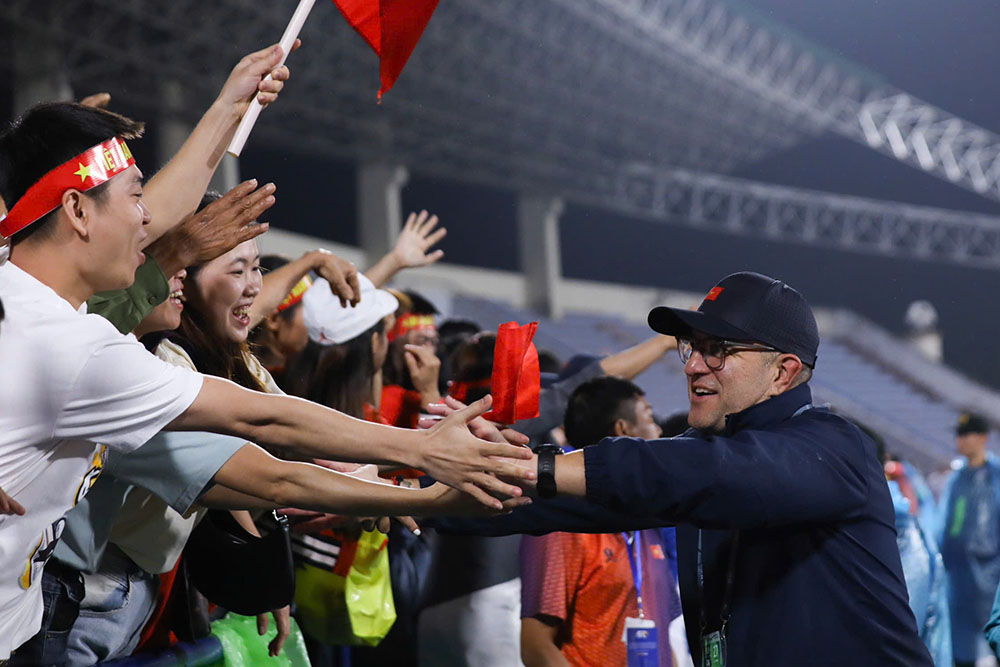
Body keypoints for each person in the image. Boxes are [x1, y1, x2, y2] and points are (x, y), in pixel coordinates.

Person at [0, 99, 530, 660]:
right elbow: (268, 459)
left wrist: (236, 97)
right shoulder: (105, 356)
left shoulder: (74, 328)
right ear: (78, 212)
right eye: (136, 198)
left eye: (258, 269)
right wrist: (421, 470)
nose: (148, 224)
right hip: (89, 606)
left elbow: (270, 449)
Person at [429, 271, 932, 666]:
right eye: (692, 347)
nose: (692, 366)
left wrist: (533, 466)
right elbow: (564, 502)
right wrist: (410, 491)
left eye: (720, 351)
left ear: (784, 372)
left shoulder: (835, 446)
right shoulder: (705, 450)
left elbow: (710, 474)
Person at [520, 376, 689, 667]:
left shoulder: (646, 519)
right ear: (624, 431)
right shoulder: (562, 528)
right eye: (649, 417)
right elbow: (536, 647)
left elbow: (659, 633)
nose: (659, 430)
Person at [937, 412, 1000, 667]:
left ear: (983, 438)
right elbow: (945, 522)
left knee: (992, 638)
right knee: (957, 644)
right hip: (957, 574)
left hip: (990, 573)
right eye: (959, 435)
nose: (960, 440)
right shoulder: (956, 476)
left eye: (966, 434)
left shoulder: (996, 476)